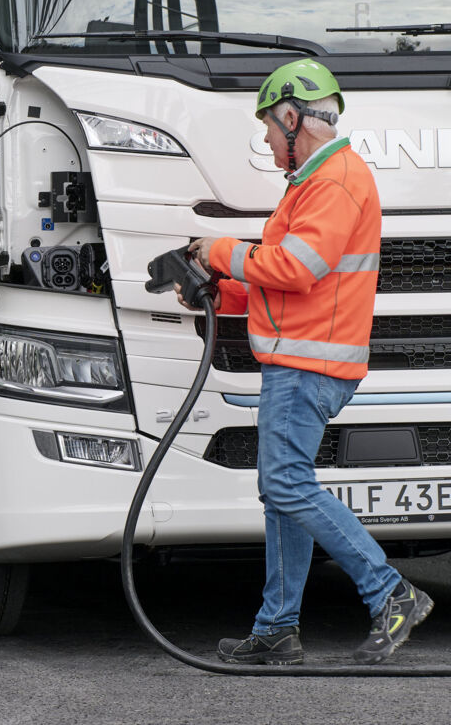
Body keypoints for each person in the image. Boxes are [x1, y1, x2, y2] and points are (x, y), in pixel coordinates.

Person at [181, 58, 432, 665]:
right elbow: (288, 275)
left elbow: (297, 267)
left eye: (270, 126)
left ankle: (390, 591)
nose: (267, 140)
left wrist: (218, 248)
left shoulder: (334, 182)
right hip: (297, 357)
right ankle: (277, 628)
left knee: (286, 483)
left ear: (295, 118)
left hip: (306, 365)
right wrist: (224, 285)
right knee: (283, 491)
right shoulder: (313, 184)